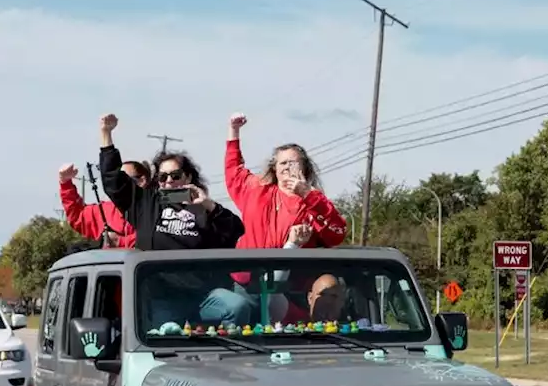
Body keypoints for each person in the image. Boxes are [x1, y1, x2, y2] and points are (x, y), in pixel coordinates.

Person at [98, 113, 251, 328]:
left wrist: (207, 205)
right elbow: (113, 181)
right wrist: (106, 134)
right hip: (161, 296)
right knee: (166, 336)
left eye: (175, 175)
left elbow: (236, 230)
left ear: (188, 177)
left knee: (237, 306)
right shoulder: (146, 204)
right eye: (163, 177)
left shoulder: (204, 207)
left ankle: (226, 355)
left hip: (202, 295)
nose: (169, 181)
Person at [223, 113, 348, 250]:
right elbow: (234, 170)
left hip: (295, 269)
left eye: (293, 163)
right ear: (274, 169)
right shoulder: (256, 190)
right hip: (250, 267)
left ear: (305, 167)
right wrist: (233, 131)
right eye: (283, 163)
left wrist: (307, 194)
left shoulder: (314, 201)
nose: (288, 167)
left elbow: (336, 235)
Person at [58, 161, 147, 248]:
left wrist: (120, 241)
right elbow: (77, 216)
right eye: (116, 180)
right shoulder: (104, 210)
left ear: (142, 181)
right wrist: (65, 183)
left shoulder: (154, 208)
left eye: (125, 179)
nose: (118, 185)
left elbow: (157, 237)